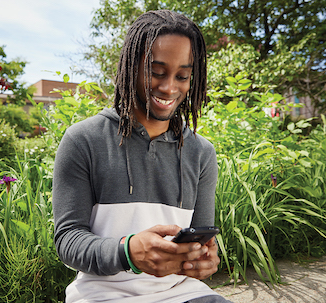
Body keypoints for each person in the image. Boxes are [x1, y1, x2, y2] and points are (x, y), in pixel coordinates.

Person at [52, 9, 231, 303]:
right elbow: (69, 241)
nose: (169, 87)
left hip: (182, 294)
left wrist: (206, 260)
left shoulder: (201, 153)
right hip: (102, 296)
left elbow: (202, 240)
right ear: (130, 67)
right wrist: (128, 251)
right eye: (156, 72)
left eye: (182, 76)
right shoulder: (83, 140)